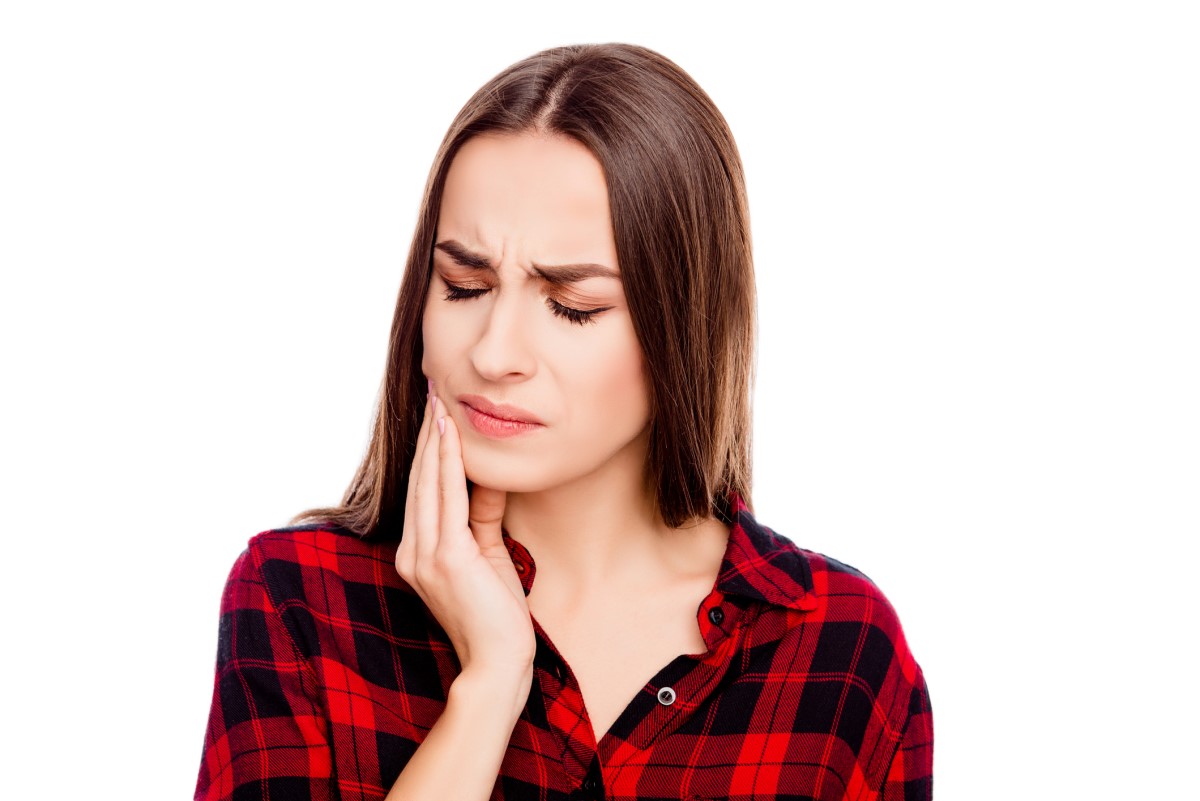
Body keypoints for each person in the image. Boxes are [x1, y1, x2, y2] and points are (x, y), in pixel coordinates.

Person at [194, 43, 933, 801]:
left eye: (570, 305)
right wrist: (487, 689)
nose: (494, 352)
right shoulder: (299, 600)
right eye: (463, 285)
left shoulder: (839, 649)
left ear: (685, 327)